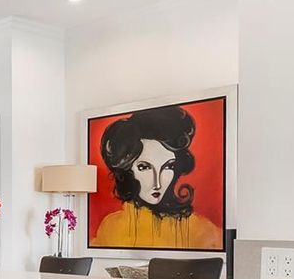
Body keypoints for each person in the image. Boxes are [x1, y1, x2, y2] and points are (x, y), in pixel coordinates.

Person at [91, 105, 223, 250]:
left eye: (168, 167)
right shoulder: (110, 227)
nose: (158, 183)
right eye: (144, 167)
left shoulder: (203, 231)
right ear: (127, 167)